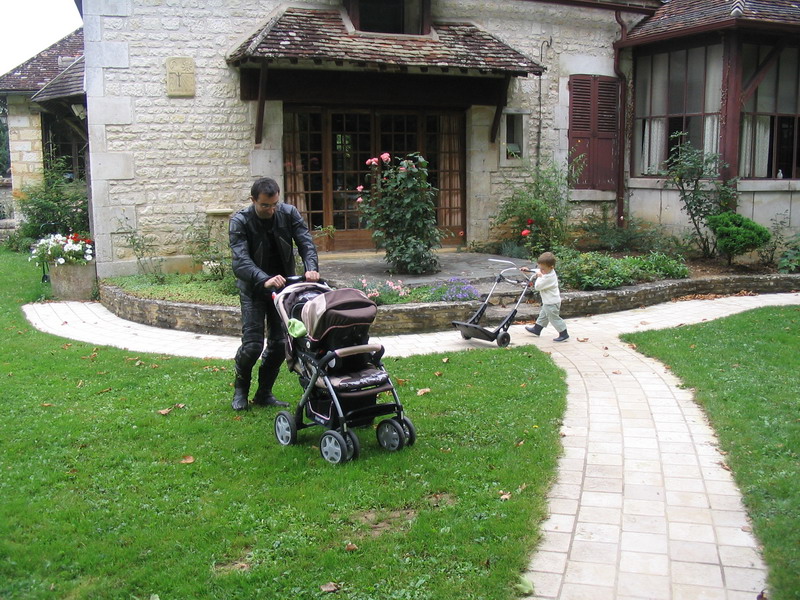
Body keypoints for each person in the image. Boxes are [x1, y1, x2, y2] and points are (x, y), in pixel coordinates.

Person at [229, 177, 320, 411]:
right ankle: (240, 390)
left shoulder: (289, 214)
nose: (271, 210)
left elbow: (306, 243)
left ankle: (264, 393)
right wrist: (264, 278)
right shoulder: (240, 221)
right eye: (265, 205)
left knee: (280, 344)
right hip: (254, 290)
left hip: (282, 291)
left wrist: (311, 268)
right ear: (253, 200)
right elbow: (240, 261)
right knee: (252, 345)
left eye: (274, 204)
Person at [523, 251, 569, 342]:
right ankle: (537, 329)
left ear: (551, 267)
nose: (541, 270)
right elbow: (538, 271)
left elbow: (537, 287)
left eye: (543, 269)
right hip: (548, 302)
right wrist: (528, 270)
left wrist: (539, 276)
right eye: (540, 268)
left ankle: (564, 334)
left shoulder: (549, 278)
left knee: (554, 318)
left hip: (552, 303)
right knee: (543, 316)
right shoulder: (546, 272)